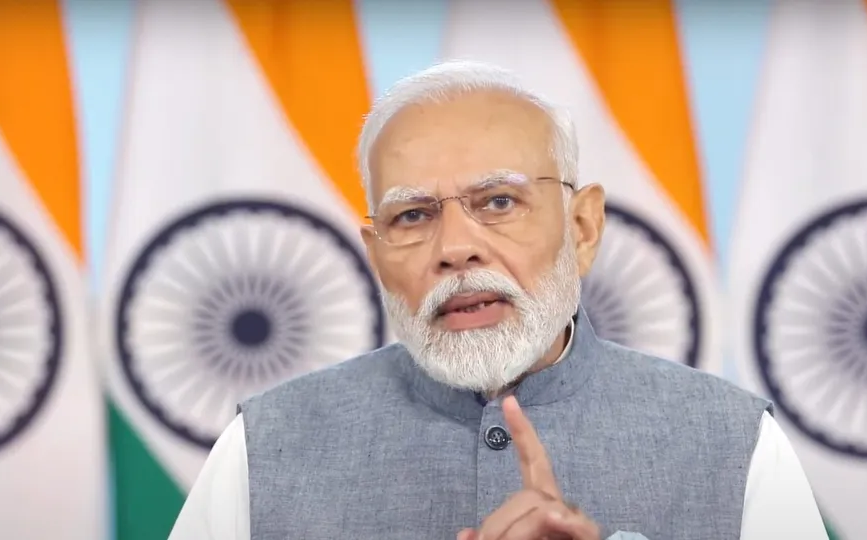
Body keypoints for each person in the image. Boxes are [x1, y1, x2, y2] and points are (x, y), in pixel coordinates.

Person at [169, 60, 828, 540]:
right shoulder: (264, 447)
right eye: (413, 216)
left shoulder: (733, 444)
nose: (456, 248)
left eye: (499, 202)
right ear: (376, 258)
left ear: (582, 228)